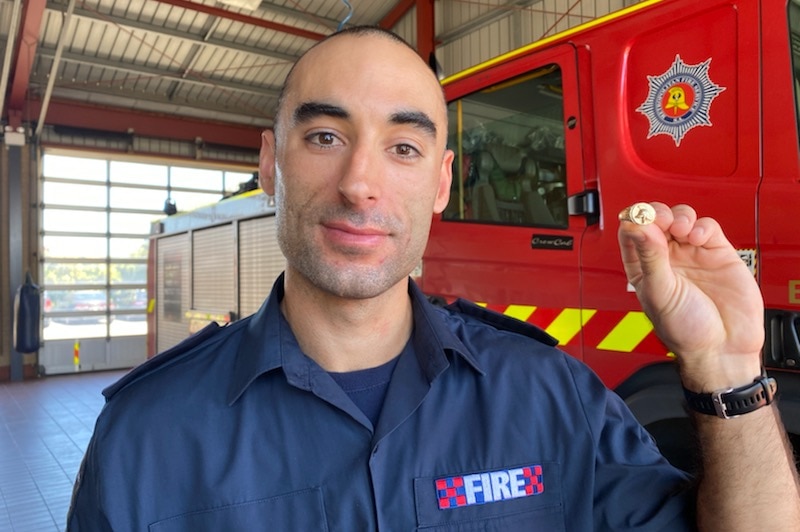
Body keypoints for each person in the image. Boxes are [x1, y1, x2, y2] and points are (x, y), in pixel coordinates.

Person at [67, 26, 800, 530]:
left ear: (443, 181)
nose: (361, 183)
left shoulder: (553, 400)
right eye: (325, 136)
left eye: (405, 147)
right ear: (271, 164)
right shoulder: (145, 437)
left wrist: (725, 370)